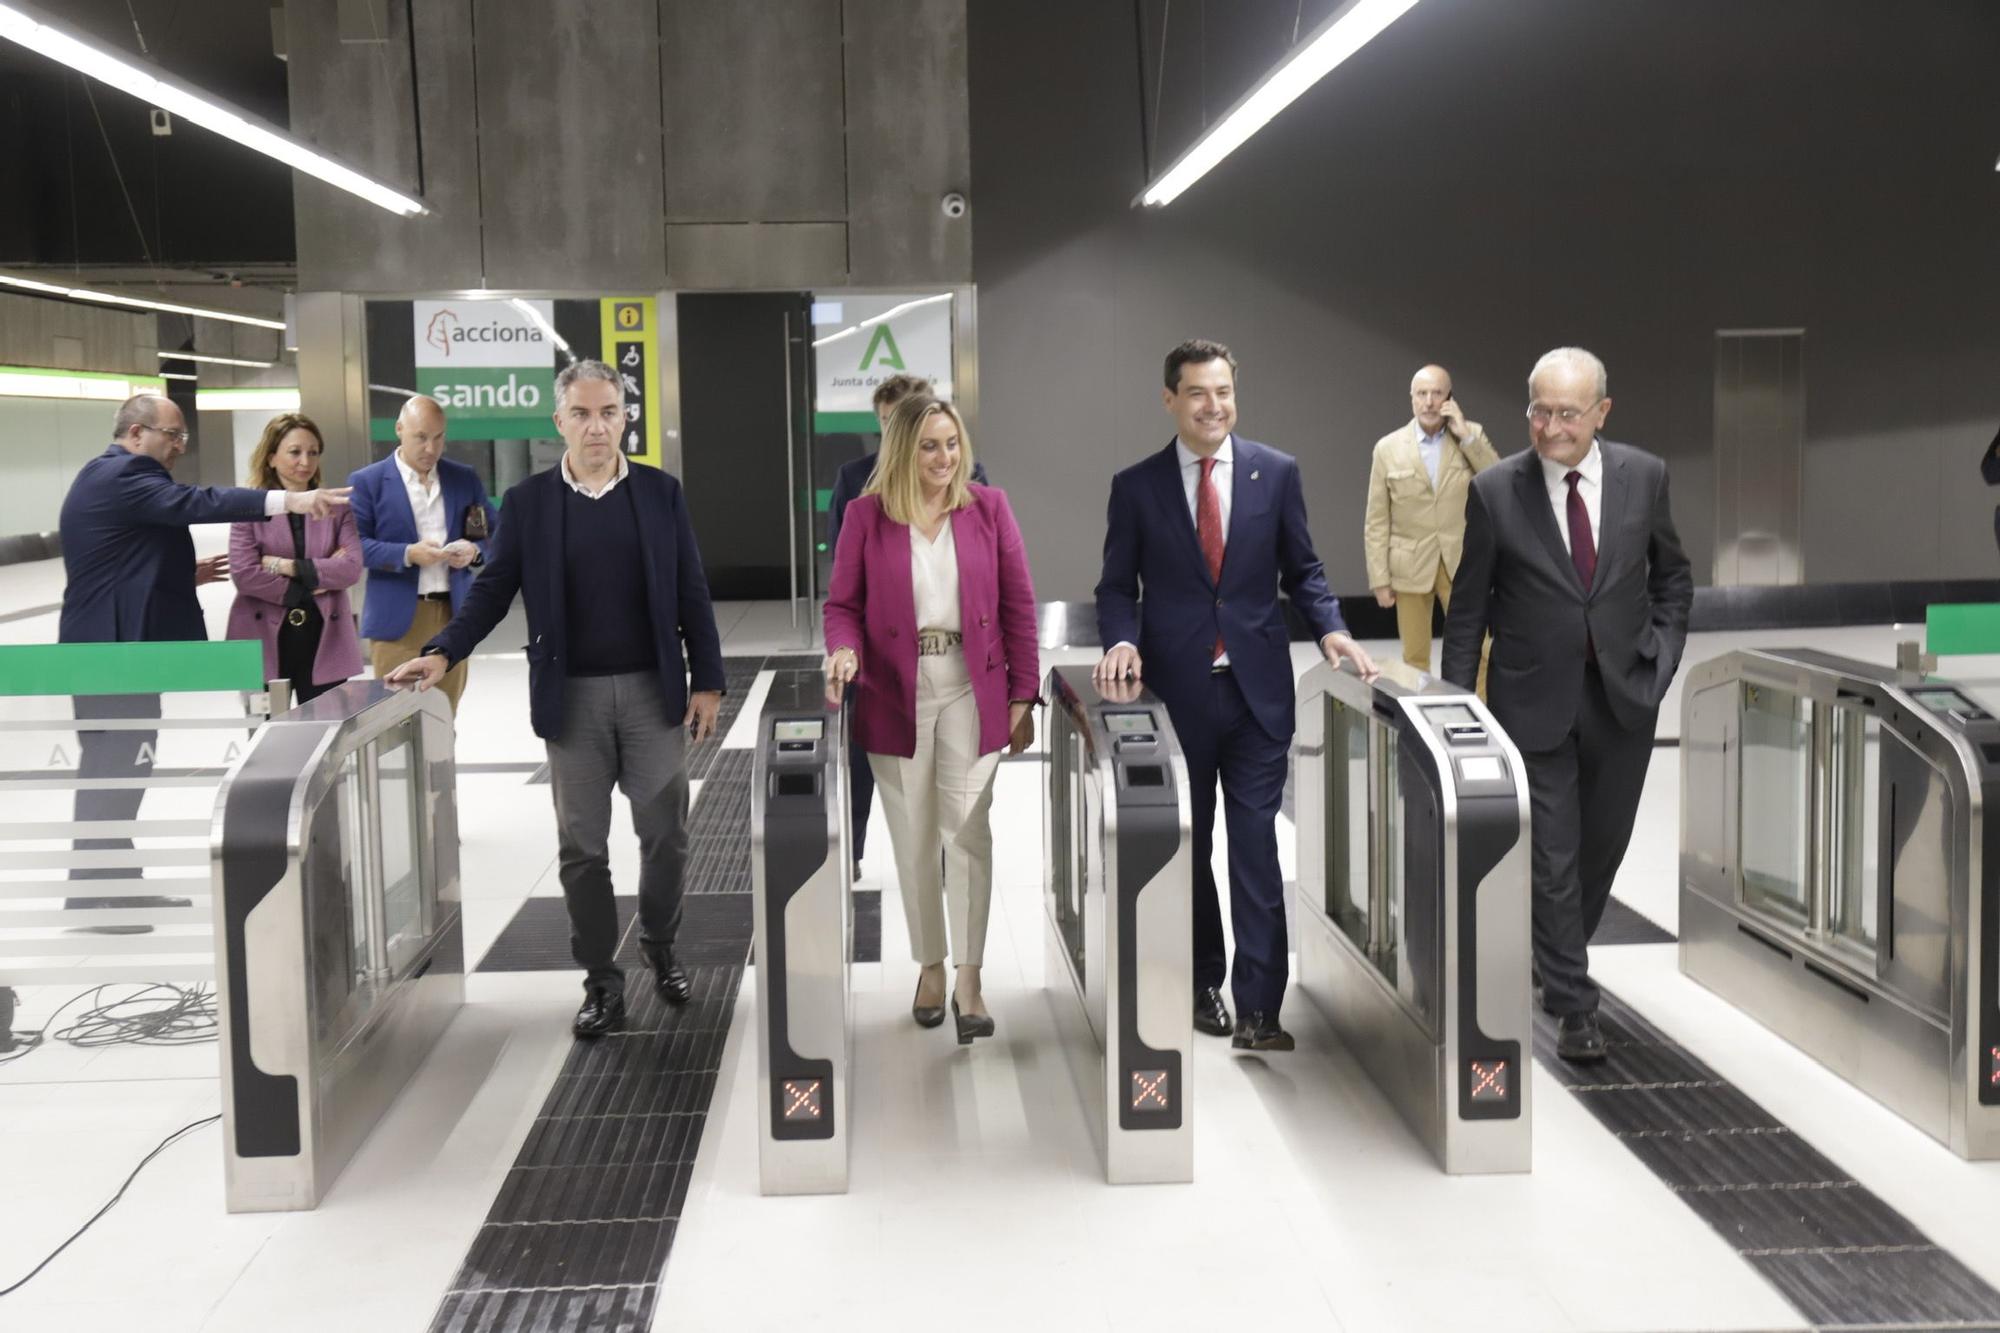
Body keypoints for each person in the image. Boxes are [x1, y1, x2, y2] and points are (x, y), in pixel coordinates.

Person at [386, 360, 725, 1039]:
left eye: (609, 412)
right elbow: (491, 590)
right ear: (559, 422)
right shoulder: (532, 502)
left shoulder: (660, 493)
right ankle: (601, 977)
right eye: (582, 413)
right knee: (581, 848)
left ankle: (660, 942)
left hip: (652, 694)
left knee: (665, 836)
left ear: (626, 416)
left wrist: (708, 680)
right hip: (570, 700)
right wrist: (445, 648)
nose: (597, 426)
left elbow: (691, 588)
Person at [1094, 339, 1376, 1052]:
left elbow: (1304, 568)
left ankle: (1259, 1005)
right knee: (1190, 847)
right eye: (1197, 392)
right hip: (1177, 697)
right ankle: (1200, 980)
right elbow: (1114, 586)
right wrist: (1121, 640)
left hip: (1256, 696)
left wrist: (1333, 630)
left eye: (1223, 391)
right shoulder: (1137, 486)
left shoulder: (1273, 472)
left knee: (1254, 847)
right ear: (1170, 399)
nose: (1213, 405)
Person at [1440, 347, 1693, 1062]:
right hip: (1532, 700)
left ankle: (1556, 956)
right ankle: (1575, 1003)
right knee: (1551, 854)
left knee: (1599, 851)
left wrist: (1662, 658)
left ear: (1601, 412)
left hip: (1623, 698)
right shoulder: (1495, 490)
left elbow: (1673, 578)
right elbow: (1469, 612)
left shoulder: (1645, 477)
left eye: (1567, 413)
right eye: (1539, 411)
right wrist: (1456, 714)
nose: (1550, 427)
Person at [57, 392, 347, 932]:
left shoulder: (115, 477)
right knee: (111, 770)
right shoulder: (121, 474)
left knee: (126, 766)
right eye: (173, 436)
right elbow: (198, 502)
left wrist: (175, 577)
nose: (178, 447)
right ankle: (92, 895)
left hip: (123, 649)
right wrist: (288, 502)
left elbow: (114, 560)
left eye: (182, 437)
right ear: (136, 432)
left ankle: (112, 885)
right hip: (107, 653)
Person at [823, 394, 1038, 1044]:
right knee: (915, 836)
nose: (945, 458)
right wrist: (843, 648)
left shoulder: (988, 509)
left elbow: (1020, 606)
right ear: (901, 449)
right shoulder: (866, 515)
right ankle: (931, 966)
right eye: (929, 445)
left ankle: (970, 976)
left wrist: (1024, 693)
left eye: (952, 443)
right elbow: (842, 605)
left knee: (966, 830)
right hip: (896, 688)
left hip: (974, 686)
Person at [825, 373, 988, 879]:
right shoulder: (856, 480)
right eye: (889, 421)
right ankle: (851, 851)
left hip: (950, 656)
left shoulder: (969, 474)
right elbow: (843, 573)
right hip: (879, 651)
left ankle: (944, 856)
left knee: (948, 768)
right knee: (863, 757)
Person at [348, 395, 494, 714]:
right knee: (395, 716)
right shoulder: (368, 482)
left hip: (453, 613)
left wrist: (474, 552)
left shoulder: (462, 477)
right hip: (399, 618)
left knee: (444, 714)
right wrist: (407, 554)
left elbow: (490, 533)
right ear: (399, 429)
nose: (431, 448)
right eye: (421, 437)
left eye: (438, 437)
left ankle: (443, 765)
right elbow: (354, 547)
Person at [1364, 364, 1500, 676]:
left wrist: (1465, 434)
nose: (1428, 401)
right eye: (1421, 394)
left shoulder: (1470, 435)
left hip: (1461, 562)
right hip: (1409, 563)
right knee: (1414, 657)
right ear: (1411, 399)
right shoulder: (1388, 448)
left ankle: (1481, 716)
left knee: (1479, 650)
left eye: (1436, 393)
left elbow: (1497, 481)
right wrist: (1380, 578)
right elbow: (1376, 519)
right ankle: (1419, 722)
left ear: (1449, 398)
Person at [226, 413, 363, 705]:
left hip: (324, 632)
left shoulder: (337, 509)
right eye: (295, 452)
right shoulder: (247, 507)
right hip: (263, 637)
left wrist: (282, 565)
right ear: (272, 457)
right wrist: (308, 586)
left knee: (325, 734)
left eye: (313, 453)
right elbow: (244, 573)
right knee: (267, 735)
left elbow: (350, 569)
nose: (305, 461)